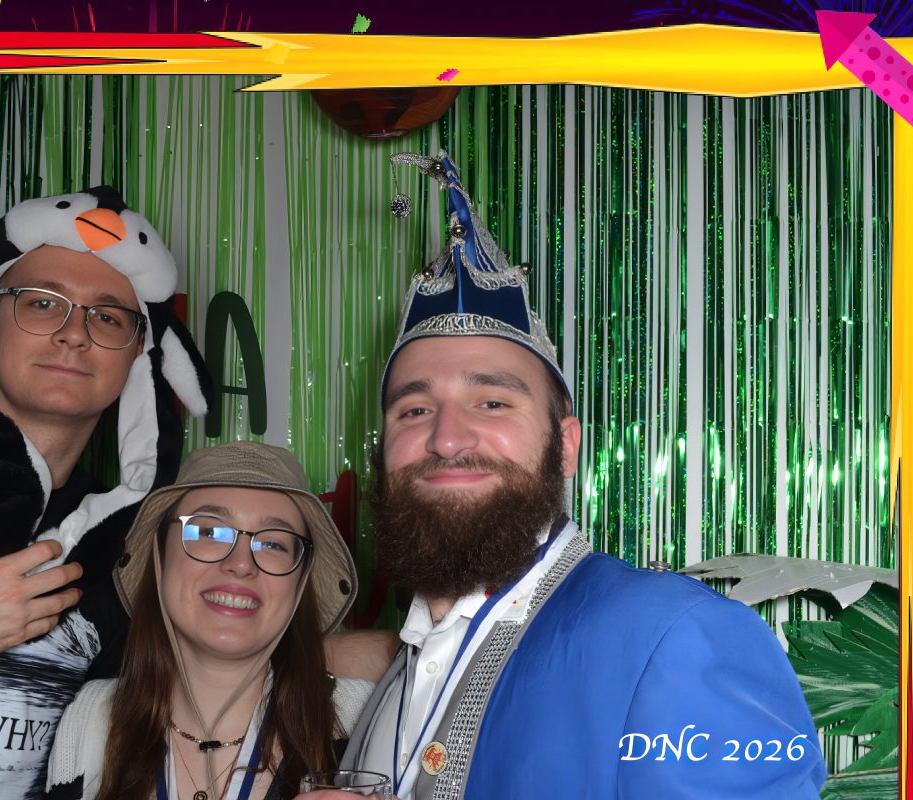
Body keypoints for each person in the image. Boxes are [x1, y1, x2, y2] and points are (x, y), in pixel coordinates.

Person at [305, 152, 828, 798]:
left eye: (492, 402)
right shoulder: (402, 668)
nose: (445, 438)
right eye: (414, 410)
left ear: (566, 446)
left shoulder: (673, 638)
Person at [0, 186, 213, 799]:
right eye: (41, 303)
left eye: (107, 317)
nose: (73, 334)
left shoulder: (130, 543)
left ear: (139, 353)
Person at [44, 440, 369, 800]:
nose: (241, 564)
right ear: (159, 556)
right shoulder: (92, 718)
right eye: (209, 532)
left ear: (300, 580)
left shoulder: (363, 719)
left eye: (273, 544)